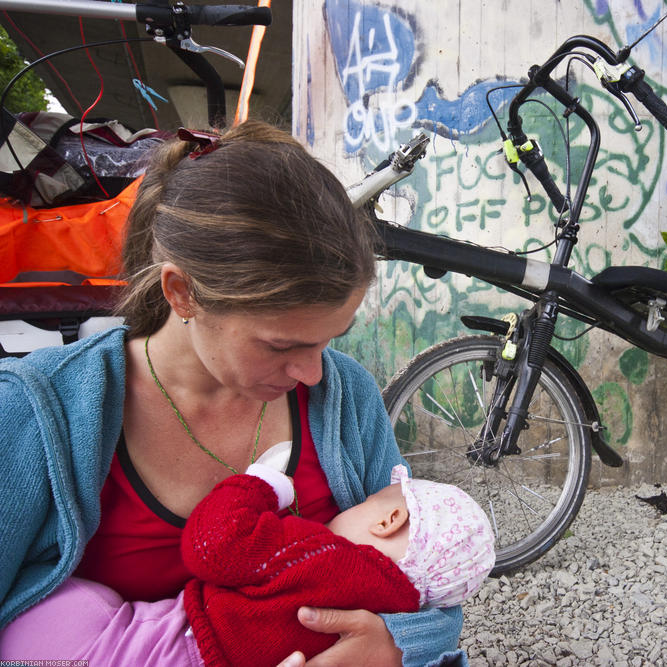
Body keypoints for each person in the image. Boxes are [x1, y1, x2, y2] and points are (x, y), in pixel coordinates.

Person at [0, 120, 467, 666]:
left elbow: (428, 579)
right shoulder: (39, 410)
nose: (315, 374)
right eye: (280, 344)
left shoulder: (347, 397)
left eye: (330, 340)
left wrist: (391, 648)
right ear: (182, 293)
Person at [0, 461, 495, 667]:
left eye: (368, 498)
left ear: (389, 519)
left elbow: (213, 546)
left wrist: (259, 485)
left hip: (170, 649)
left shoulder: (324, 555)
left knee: (65, 613)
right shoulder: (401, 600)